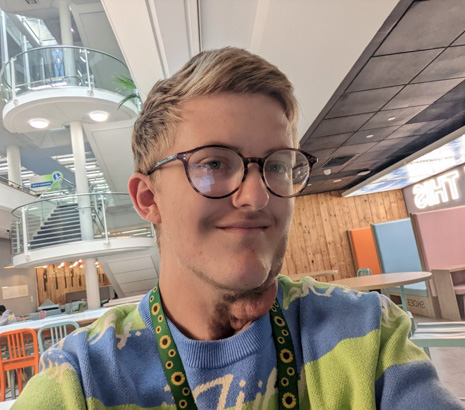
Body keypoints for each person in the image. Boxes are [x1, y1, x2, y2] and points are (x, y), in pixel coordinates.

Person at [14, 48, 463, 409]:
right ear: (148, 199)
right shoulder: (80, 382)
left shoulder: (369, 337)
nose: (257, 196)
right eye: (213, 164)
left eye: (277, 166)